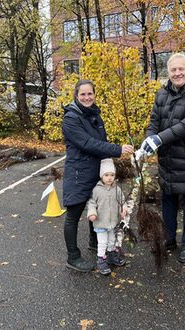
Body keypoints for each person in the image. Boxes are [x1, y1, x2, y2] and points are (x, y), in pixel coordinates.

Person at [138, 53, 185, 263]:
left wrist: (159, 139)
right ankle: (169, 239)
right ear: (167, 72)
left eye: (181, 69)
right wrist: (149, 139)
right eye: (173, 70)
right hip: (168, 159)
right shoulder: (162, 94)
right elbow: (154, 122)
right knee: (167, 202)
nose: (177, 73)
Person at [62, 80, 134, 272]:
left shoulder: (95, 115)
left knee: (98, 210)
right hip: (79, 173)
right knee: (74, 214)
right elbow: (88, 144)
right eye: (83, 94)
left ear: (94, 95)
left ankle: (96, 243)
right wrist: (117, 149)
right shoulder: (71, 118)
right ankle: (73, 257)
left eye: (90, 94)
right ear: (76, 96)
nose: (87, 98)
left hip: (96, 172)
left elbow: (100, 142)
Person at [87, 158, 127, 275]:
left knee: (112, 240)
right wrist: (92, 213)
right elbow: (92, 203)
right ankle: (101, 260)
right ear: (101, 176)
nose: (109, 178)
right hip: (100, 222)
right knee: (102, 242)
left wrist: (123, 208)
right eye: (106, 175)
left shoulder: (117, 189)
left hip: (112, 222)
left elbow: (122, 200)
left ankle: (111, 256)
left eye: (112, 175)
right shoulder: (97, 190)